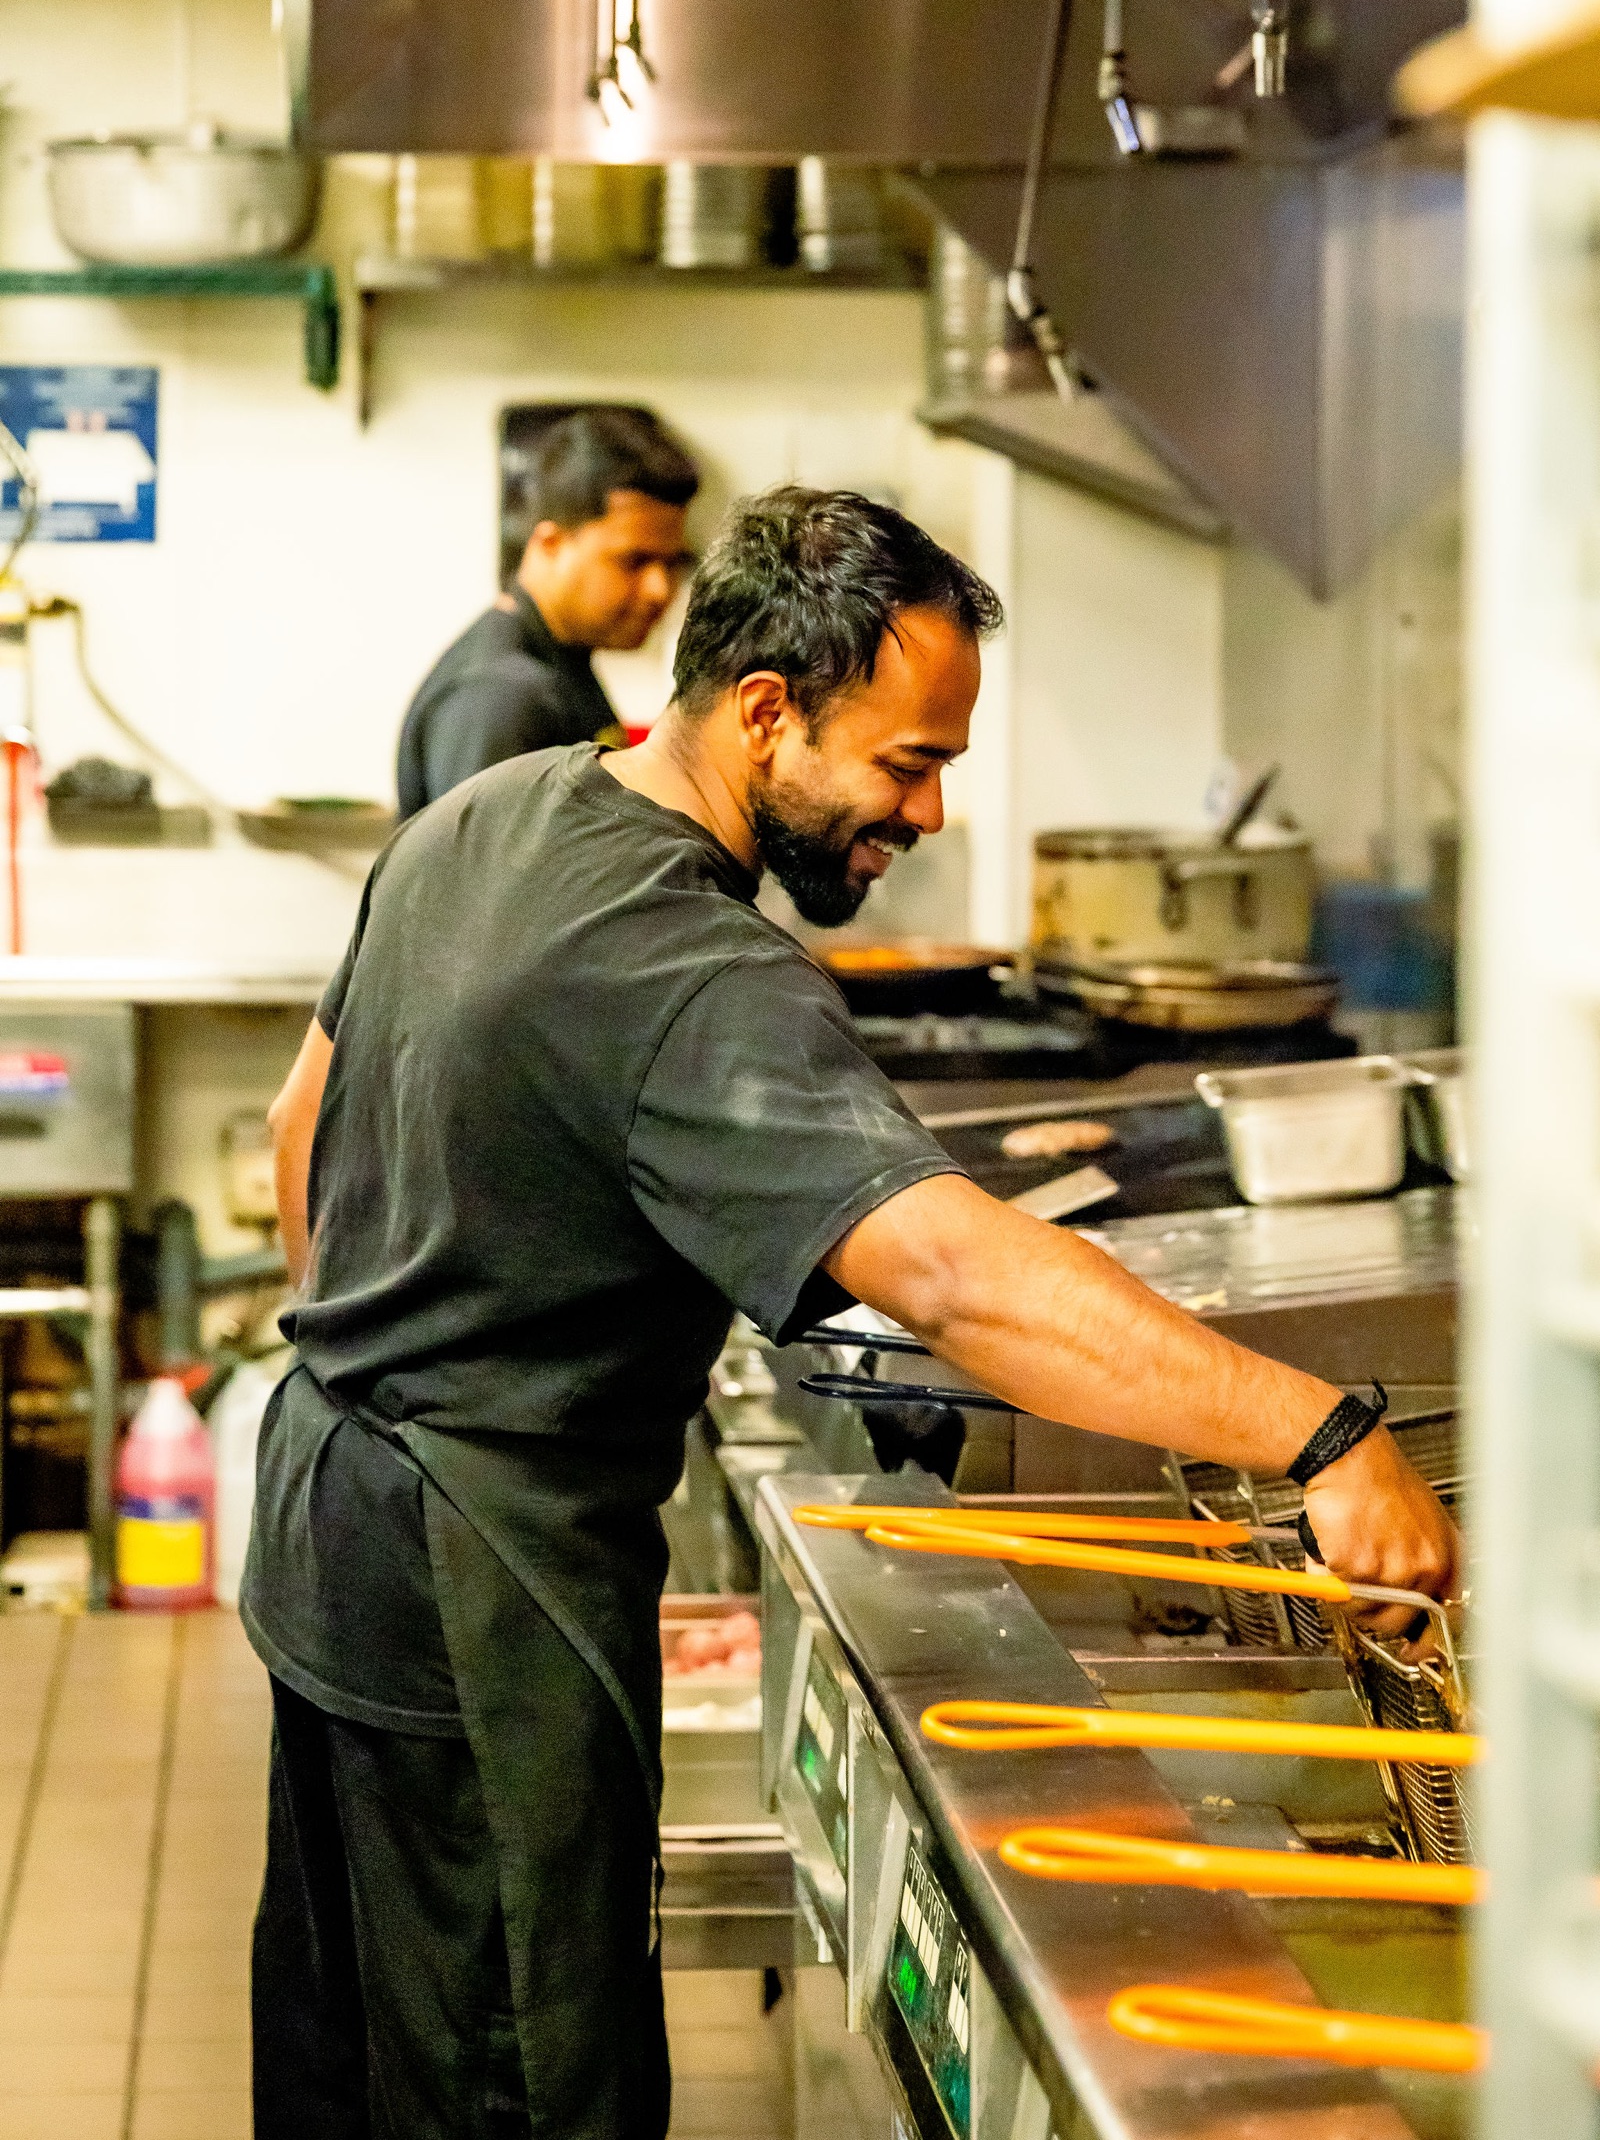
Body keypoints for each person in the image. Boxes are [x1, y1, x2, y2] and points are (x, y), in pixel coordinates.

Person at [248, 485, 1459, 2140]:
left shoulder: (496, 813)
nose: (935, 811)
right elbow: (955, 1276)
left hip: (327, 1524)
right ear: (764, 710)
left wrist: (408, 1330)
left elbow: (295, 1131)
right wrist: (1319, 1434)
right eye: (907, 762)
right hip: (481, 1569)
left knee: (356, 2053)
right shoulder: (683, 961)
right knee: (521, 2082)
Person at [395, 404, 700, 818]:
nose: (659, 589)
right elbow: (485, 880)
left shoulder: (560, 663)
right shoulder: (499, 698)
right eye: (633, 561)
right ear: (550, 545)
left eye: (672, 564)